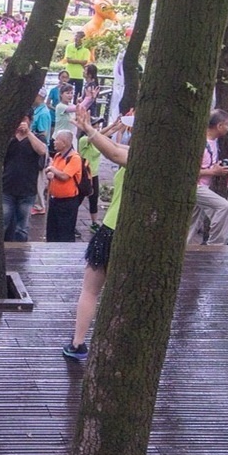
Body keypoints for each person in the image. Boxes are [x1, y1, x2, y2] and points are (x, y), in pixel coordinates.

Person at [64, 109, 130, 361]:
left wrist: (90, 130)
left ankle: (79, 342)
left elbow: (113, 152)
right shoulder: (161, 160)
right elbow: (113, 147)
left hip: (113, 230)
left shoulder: (141, 158)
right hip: (137, 236)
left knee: (91, 290)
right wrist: (104, 130)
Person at [188, 110, 228, 246]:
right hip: (195, 186)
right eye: (227, 125)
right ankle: (216, 246)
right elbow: (189, 172)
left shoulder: (214, 142)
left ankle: (181, 248)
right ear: (220, 126)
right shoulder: (200, 143)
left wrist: (220, 169)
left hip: (204, 186)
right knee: (223, 206)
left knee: (192, 222)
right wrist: (213, 172)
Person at [3, 113, 48, 242]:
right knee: (3, 223)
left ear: (30, 120)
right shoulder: (9, 138)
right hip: (7, 187)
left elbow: (42, 150)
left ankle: (21, 252)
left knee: (22, 227)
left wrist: (28, 133)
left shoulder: (37, 137)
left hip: (27, 189)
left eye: (24, 119)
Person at [45, 128, 83, 243]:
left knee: (65, 233)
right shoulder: (58, 156)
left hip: (67, 202)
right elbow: (54, 173)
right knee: (51, 231)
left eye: (57, 140)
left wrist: (52, 169)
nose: (54, 142)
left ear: (65, 143)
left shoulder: (75, 158)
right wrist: (50, 174)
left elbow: (64, 176)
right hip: (54, 200)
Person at [63, 30, 90, 97]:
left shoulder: (86, 49)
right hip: (69, 74)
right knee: (66, 92)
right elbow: (68, 60)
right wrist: (80, 61)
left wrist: (74, 60)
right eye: (75, 36)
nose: (76, 38)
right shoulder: (69, 46)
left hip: (79, 75)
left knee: (78, 94)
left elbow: (85, 62)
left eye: (78, 37)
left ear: (82, 39)